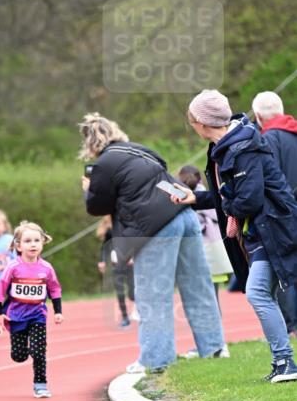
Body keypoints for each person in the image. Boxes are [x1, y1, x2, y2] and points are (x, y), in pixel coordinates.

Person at [79, 113, 226, 374]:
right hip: (184, 214)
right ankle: (214, 347)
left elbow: (97, 206)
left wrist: (87, 189)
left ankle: (156, 359)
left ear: (91, 144)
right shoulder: (140, 149)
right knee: (198, 285)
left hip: (157, 227)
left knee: (153, 295)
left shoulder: (104, 164)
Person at [183, 90, 297, 382]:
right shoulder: (224, 146)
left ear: (201, 121)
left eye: (192, 119)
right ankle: (283, 362)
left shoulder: (242, 147)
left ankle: (285, 362)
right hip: (260, 233)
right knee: (262, 293)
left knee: (258, 293)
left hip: (274, 230)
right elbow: (232, 197)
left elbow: (248, 200)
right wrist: (195, 198)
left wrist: (226, 199)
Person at [0, 220, 63, 397]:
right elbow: (0, 290)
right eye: (28, 241)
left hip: (37, 315)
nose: (33, 244)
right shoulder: (13, 267)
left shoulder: (46, 268)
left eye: (36, 241)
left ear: (42, 243)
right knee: (19, 356)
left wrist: (58, 311)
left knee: (39, 351)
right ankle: (25, 350)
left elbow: (54, 289)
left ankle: (41, 384)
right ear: (19, 245)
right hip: (16, 316)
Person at [252, 91, 297, 334]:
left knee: (285, 271)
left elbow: (270, 179)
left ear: (258, 116)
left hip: (283, 214)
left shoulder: (268, 139)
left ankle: (291, 327)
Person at [177, 165, 232, 310]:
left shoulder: (196, 199)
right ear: (200, 179)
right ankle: (215, 329)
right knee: (211, 297)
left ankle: (214, 330)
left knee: (206, 298)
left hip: (203, 250)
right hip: (212, 251)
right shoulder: (208, 196)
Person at [96, 215, 135, 327]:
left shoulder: (128, 226)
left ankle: (139, 310)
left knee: (132, 293)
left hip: (129, 264)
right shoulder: (109, 231)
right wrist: (102, 261)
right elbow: (105, 247)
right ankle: (125, 317)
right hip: (116, 265)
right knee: (120, 292)